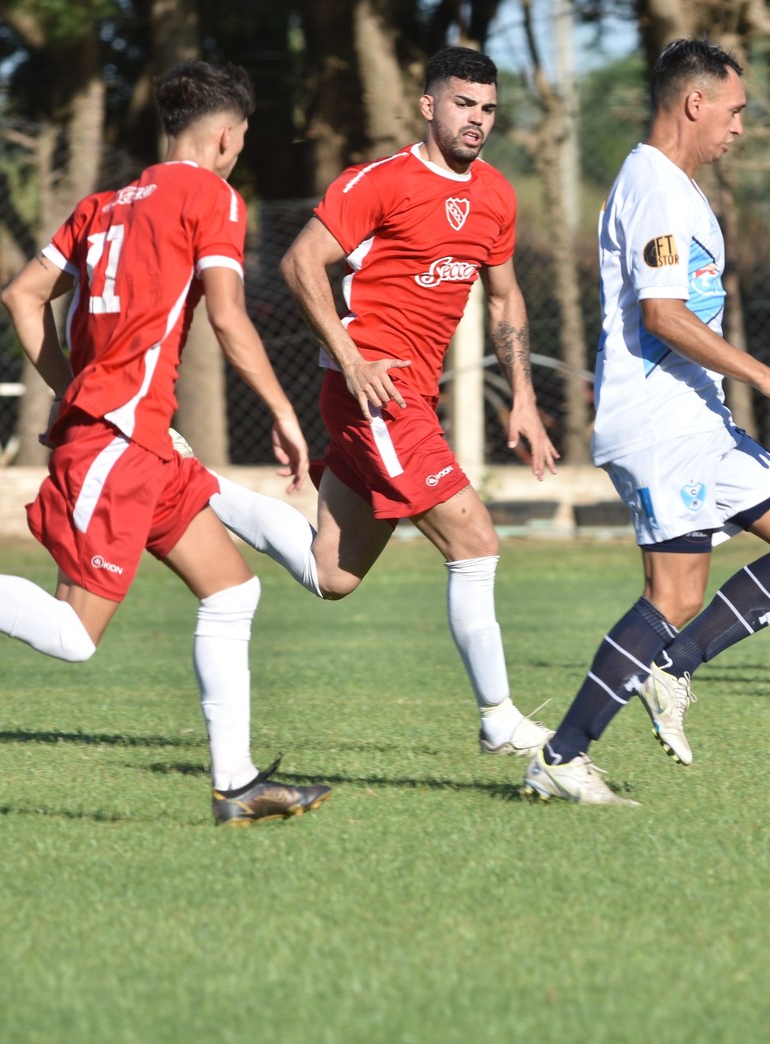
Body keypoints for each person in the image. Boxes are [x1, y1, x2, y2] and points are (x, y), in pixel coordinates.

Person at [0, 61, 331, 824]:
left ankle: (235, 786)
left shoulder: (102, 205)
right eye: (239, 143)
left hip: (136, 437)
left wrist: (77, 385)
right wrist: (280, 409)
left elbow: (21, 296)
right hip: (118, 443)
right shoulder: (211, 195)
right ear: (226, 137)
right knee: (75, 633)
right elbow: (230, 318)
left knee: (233, 591)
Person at [202, 47, 560, 758]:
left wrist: (522, 396)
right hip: (378, 395)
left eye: (487, 108)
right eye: (462, 104)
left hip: (408, 398)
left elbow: (506, 297)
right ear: (429, 105)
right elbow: (300, 261)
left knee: (331, 575)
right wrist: (352, 357)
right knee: (474, 539)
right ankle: (498, 719)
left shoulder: (495, 194)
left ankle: (196, 487)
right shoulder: (380, 182)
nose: (476, 120)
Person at [521, 39, 770, 805]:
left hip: (696, 419)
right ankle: (561, 757)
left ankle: (671, 667)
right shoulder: (656, 190)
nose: (739, 126)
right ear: (693, 102)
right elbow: (663, 315)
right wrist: (767, 376)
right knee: (672, 597)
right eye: (733, 110)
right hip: (659, 422)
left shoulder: (676, 186)